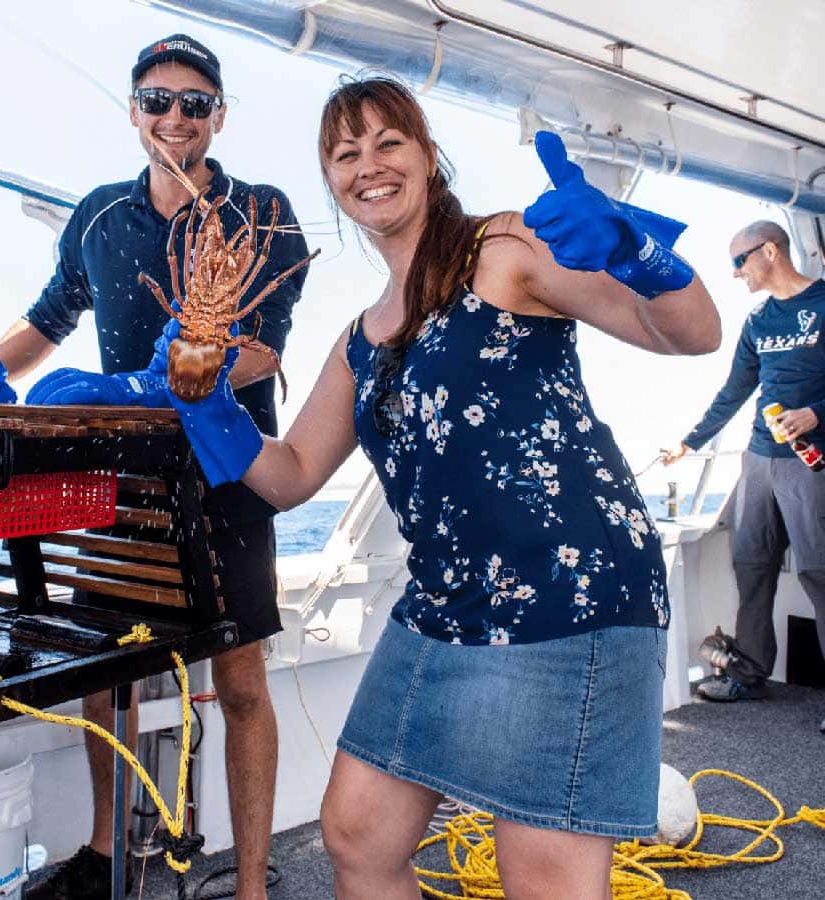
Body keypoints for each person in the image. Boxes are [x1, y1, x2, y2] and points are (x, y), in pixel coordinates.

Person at [168, 77, 721, 900]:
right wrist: (203, 403)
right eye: (345, 153)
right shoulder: (360, 339)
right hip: (441, 606)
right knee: (356, 835)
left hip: (568, 599)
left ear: (428, 157)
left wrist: (634, 249)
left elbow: (690, 332)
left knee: (543, 880)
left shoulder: (503, 250)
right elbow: (289, 477)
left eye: (389, 142)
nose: (369, 165)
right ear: (331, 181)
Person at [0, 34, 311, 900]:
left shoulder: (263, 212)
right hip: (125, 481)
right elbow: (49, 321)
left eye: (195, 102)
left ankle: (256, 885)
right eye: (157, 99)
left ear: (219, 116)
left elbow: (266, 349)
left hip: (227, 471)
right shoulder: (98, 217)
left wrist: (192, 378)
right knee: (105, 668)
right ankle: (102, 853)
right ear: (134, 110)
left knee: (239, 682)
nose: (175, 116)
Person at [662, 220, 825, 737]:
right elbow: (734, 391)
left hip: (814, 462)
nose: (736, 273)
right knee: (753, 567)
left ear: (769, 251)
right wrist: (690, 442)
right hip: (759, 461)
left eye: (739, 261)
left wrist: (817, 414)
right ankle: (749, 672)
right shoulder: (759, 321)